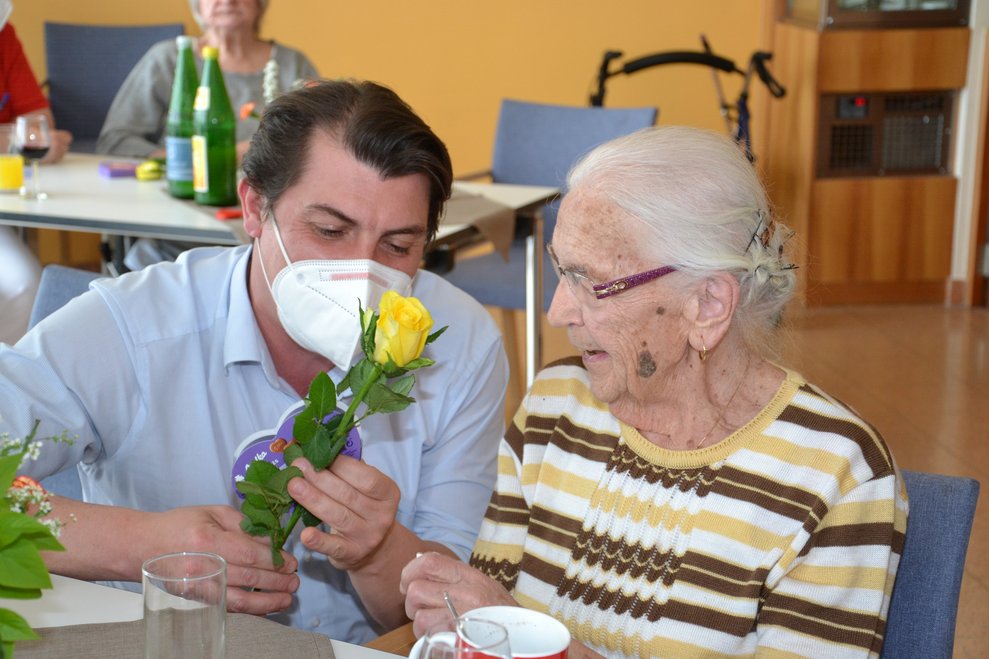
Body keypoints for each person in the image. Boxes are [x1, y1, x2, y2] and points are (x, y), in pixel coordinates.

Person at [2, 79, 509, 644]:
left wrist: (378, 550)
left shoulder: (457, 344)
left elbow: (441, 607)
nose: (360, 272)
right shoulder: (136, 328)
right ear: (253, 207)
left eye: (398, 246)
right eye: (329, 230)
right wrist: (137, 543)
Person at [400, 126, 908, 658]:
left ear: (708, 305)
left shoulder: (837, 475)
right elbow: (476, 624)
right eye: (560, 271)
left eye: (590, 282)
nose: (558, 311)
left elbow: (500, 625)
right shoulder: (557, 405)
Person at [97, 0, 318, 162]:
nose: (227, 1)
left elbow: (322, 139)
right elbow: (115, 141)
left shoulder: (294, 63)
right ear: (197, 6)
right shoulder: (169, 58)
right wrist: (193, 162)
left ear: (259, 4)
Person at [0, 3, 74, 345]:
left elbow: (41, 129)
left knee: (25, 283)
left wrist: (17, 137)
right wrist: (11, 136)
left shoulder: (5, 36)